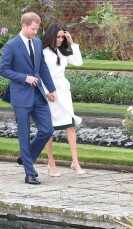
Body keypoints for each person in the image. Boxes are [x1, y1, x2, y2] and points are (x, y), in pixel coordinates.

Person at [0, 12, 57, 185]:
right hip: (20, 97)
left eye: (37, 29)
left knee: (47, 130)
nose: (35, 32)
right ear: (24, 26)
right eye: (33, 29)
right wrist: (25, 78)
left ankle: (26, 157)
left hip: (38, 94)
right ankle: (29, 173)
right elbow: (3, 69)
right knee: (24, 135)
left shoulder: (37, 43)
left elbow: (42, 67)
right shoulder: (11, 46)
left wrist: (51, 89)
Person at [42, 23, 86, 177]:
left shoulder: (63, 52)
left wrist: (71, 41)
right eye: (58, 37)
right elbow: (41, 74)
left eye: (62, 37)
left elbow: (78, 62)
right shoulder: (44, 53)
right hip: (50, 93)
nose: (60, 40)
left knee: (71, 125)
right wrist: (47, 92)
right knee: (48, 129)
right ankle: (51, 162)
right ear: (51, 36)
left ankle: (75, 161)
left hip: (63, 92)